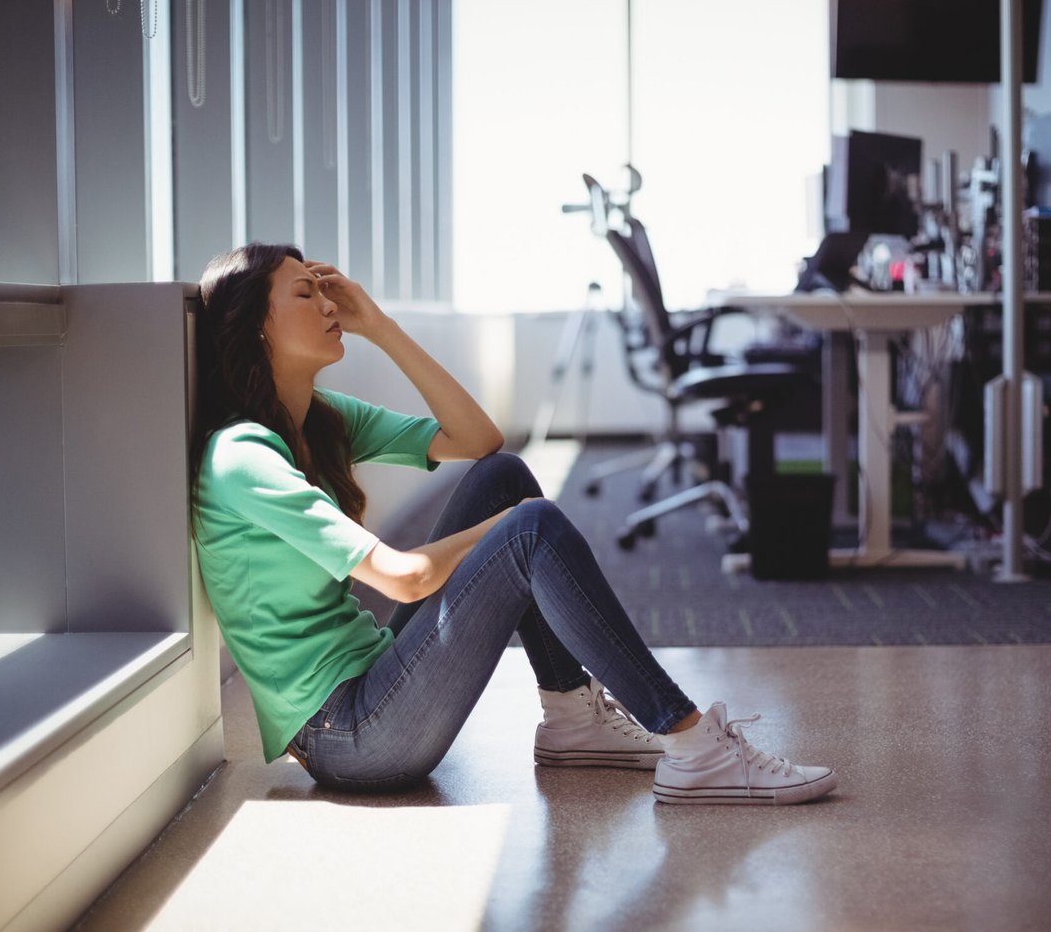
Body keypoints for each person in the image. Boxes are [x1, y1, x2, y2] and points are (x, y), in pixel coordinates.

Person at [189, 243, 837, 806]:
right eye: (306, 293)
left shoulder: (316, 419)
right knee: (530, 526)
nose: (330, 304)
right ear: (256, 327)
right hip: (350, 736)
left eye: (327, 290)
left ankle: (571, 718)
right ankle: (695, 746)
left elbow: (477, 437)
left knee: (504, 477)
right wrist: (513, 527)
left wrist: (381, 327)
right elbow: (404, 578)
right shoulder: (241, 456)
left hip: (371, 681)